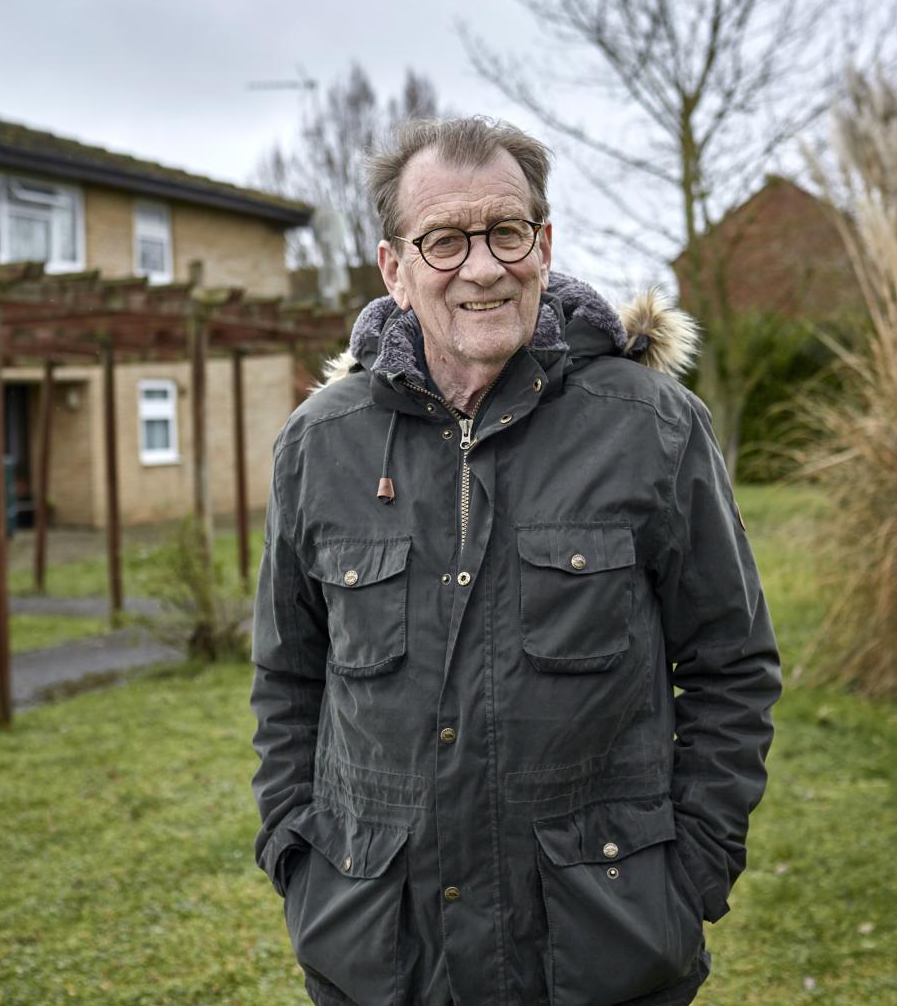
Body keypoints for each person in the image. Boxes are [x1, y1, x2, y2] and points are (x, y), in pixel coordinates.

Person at [251, 116, 780, 1006]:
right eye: (445, 241)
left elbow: (732, 665)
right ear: (395, 268)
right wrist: (298, 858)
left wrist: (691, 875)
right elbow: (288, 677)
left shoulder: (650, 426)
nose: (484, 267)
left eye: (506, 232)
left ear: (544, 242)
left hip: (603, 951)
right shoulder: (321, 443)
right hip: (380, 951)